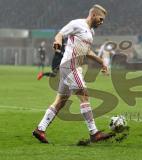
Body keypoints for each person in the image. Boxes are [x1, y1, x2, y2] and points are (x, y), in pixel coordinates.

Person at [33, 4, 112, 143]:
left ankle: (40, 129)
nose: (102, 22)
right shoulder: (77, 24)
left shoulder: (90, 33)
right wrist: (57, 41)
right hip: (71, 65)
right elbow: (60, 34)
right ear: (93, 15)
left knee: (60, 101)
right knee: (84, 95)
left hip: (71, 67)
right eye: (100, 18)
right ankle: (94, 133)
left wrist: (102, 62)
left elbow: (87, 51)